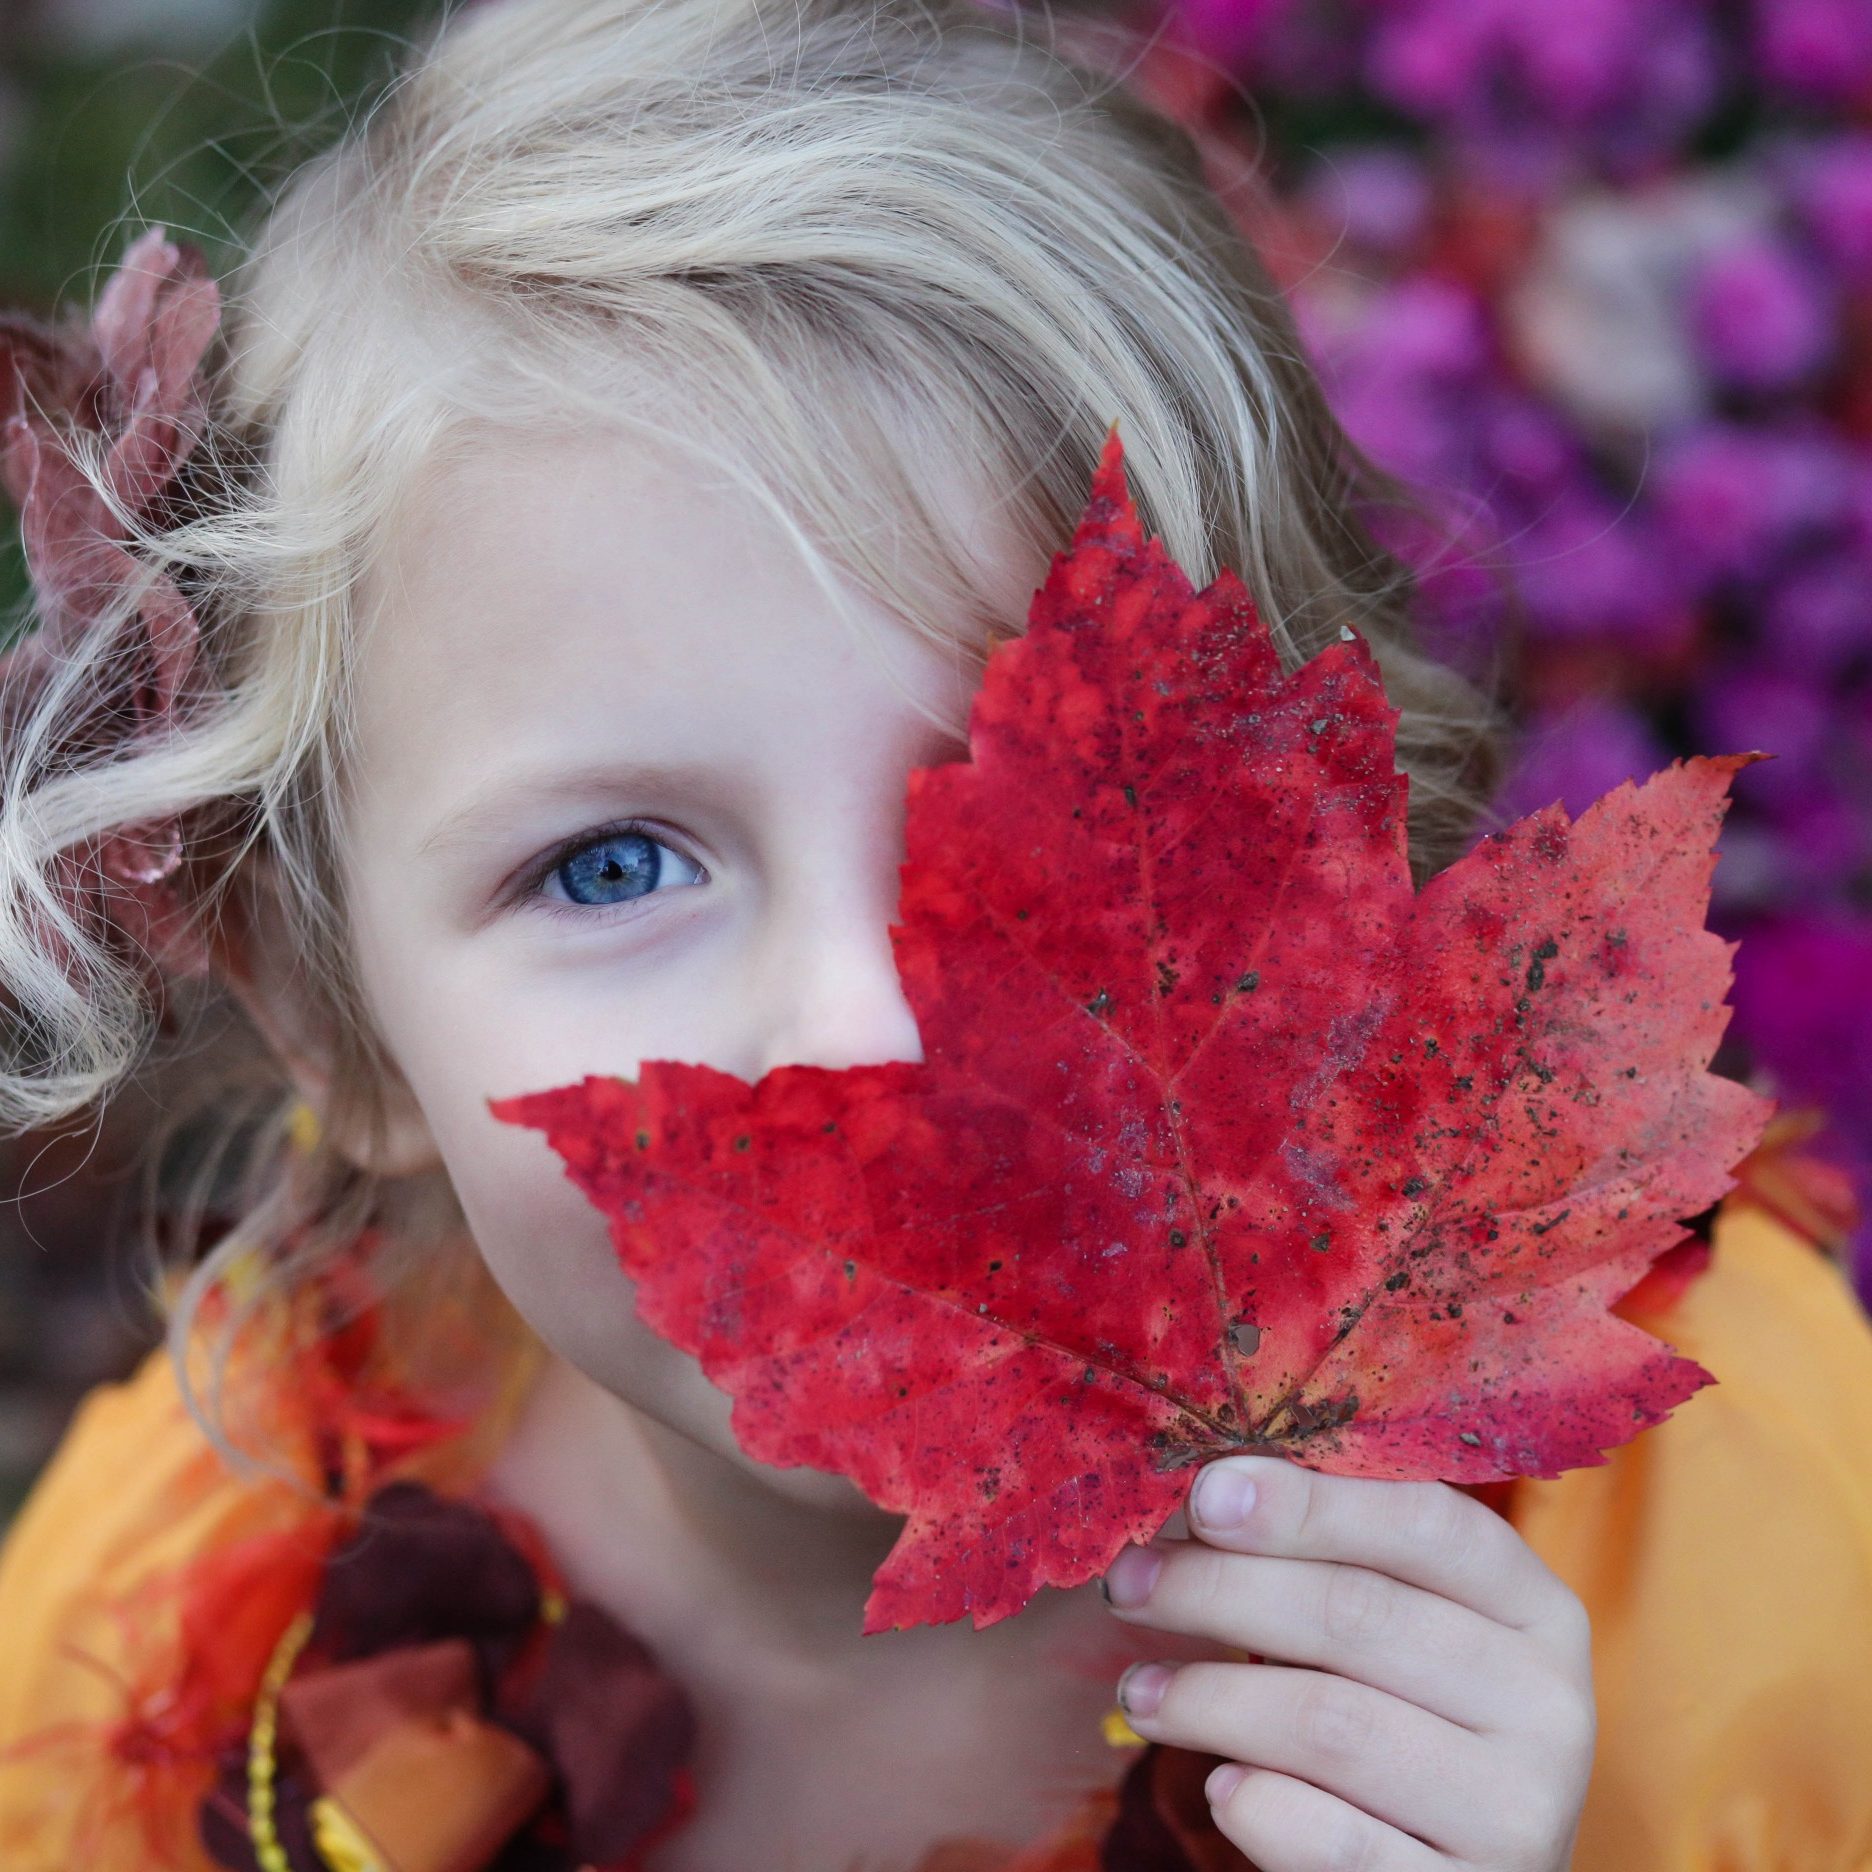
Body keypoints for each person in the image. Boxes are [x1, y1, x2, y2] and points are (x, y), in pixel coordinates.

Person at [1, 0, 1869, 1867]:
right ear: (330, 1021)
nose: (867, 1023)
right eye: (611, 868)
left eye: (1038, 808)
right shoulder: (161, 1651)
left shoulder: (1736, 1570)